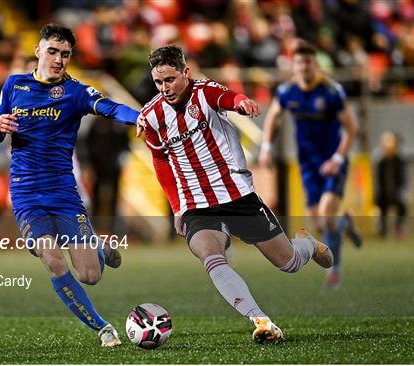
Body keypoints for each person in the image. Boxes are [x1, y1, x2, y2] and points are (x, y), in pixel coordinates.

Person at [136, 45, 334, 345]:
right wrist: (177, 206)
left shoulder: (204, 91)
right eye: (159, 82)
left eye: (171, 80)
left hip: (236, 194)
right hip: (195, 203)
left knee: (288, 262)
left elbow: (226, 97)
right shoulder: (151, 116)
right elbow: (161, 162)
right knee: (211, 255)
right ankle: (262, 321)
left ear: (186, 73)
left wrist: (241, 102)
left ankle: (305, 244)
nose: (165, 88)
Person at [0, 24, 139, 347]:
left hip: (63, 192)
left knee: (90, 275)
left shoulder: (76, 93)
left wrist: (140, 118)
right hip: (26, 192)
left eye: (65, 54)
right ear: (38, 51)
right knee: (53, 259)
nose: (58, 59)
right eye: (53, 51)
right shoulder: (14, 85)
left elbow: (110, 108)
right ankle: (103, 328)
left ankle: (96, 247)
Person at [259, 40, 362, 289]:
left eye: (307, 62)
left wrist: (338, 158)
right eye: (299, 62)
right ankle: (344, 223)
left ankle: (334, 271)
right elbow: (273, 116)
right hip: (307, 163)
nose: (303, 66)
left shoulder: (331, 91)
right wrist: (266, 147)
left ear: (314, 64)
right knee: (319, 223)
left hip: (332, 161)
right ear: (293, 66)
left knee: (326, 212)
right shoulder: (286, 92)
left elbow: (351, 128)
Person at [374, 131, 407, 238]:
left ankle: (398, 227)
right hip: (382, 195)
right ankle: (382, 230)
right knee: (381, 209)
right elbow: (377, 181)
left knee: (402, 207)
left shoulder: (399, 161)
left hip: (396, 193)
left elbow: (403, 179)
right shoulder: (380, 161)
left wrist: (399, 192)